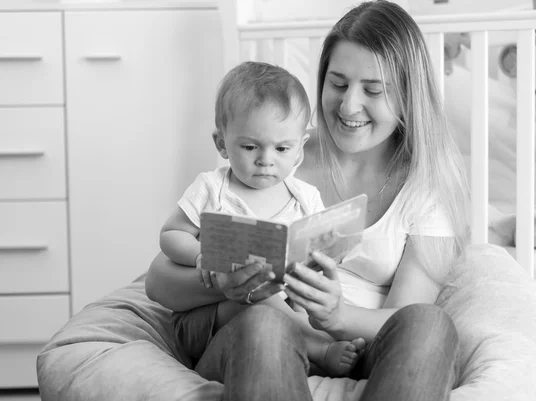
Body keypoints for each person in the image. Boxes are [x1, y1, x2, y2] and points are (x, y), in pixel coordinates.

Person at [145, 1, 470, 400]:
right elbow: (159, 280)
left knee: (431, 324)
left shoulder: (426, 188)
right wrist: (227, 284)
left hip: (358, 345)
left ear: (406, 96)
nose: (349, 106)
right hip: (260, 333)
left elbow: (405, 316)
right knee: (266, 321)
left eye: (372, 90)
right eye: (337, 84)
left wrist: (338, 316)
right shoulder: (276, 154)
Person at [159, 60, 364, 378]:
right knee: (254, 297)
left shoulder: (305, 197)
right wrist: (201, 257)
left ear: (299, 150)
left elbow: (318, 252)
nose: (266, 160)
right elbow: (171, 234)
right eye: (250, 146)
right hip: (208, 319)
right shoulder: (212, 188)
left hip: (280, 314)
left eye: (282, 148)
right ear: (221, 143)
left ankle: (303, 345)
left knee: (287, 297)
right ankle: (321, 349)